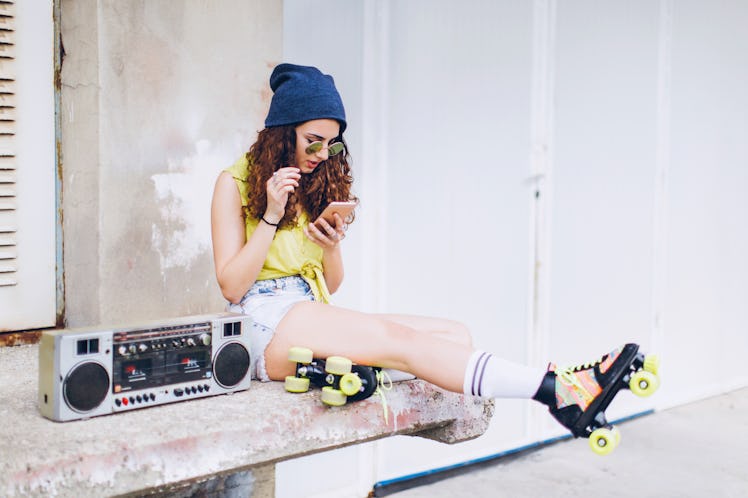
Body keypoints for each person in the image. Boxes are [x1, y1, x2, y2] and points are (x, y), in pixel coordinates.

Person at [210, 63, 659, 452]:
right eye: (313, 141)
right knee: (402, 343)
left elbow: (335, 282)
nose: (322, 155)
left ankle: (338, 371)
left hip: (310, 310)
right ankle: (557, 390)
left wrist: (331, 244)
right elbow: (232, 286)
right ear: (283, 131)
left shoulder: (312, 184)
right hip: (266, 323)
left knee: (455, 334)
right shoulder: (234, 183)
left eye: (331, 144)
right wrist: (269, 216)